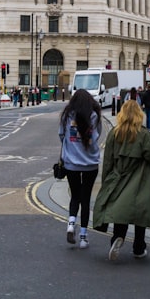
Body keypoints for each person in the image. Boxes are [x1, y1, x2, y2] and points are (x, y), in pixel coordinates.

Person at [93, 99, 150, 261]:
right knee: (139, 214)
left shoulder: (114, 134)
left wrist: (106, 182)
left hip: (119, 177)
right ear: (139, 115)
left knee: (120, 211)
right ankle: (138, 247)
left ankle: (117, 238)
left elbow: (107, 161)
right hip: (140, 179)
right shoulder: (143, 134)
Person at [58, 88, 102, 250]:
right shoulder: (94, 116)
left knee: (74, 195)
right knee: (86, 198)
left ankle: (71, 224)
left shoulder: (67, 116)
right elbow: (98, 135)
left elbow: (61, 136)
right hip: (90, 164)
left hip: (71, 164)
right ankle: (83, 237)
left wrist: (70, 147)